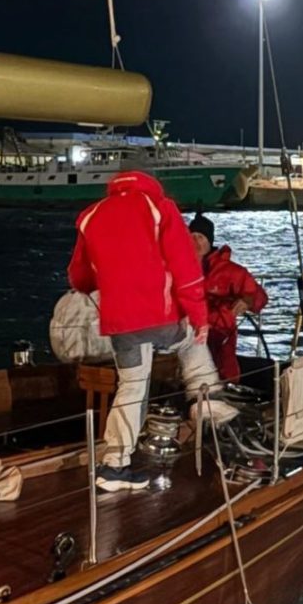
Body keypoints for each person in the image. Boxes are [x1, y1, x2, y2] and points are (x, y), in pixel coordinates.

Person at [67, 171, 223, 492]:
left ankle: (114, 467)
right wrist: (199, 317)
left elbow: (79, 276)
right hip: (158, 316)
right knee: (192, 339)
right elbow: (185, 268)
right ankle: (208, 402)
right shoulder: (160, 207)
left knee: (131, 387)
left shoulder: (91, 216)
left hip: (120, 324)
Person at [188, 213, 268, 383]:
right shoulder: (180, 269)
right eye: (192, 237)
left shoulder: (231, 271)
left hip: (221, 337)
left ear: (210, 241)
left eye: (200, 237)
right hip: (188, 337)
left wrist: (247, 301)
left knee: (226, 373)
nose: (196, 242)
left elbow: (259, 296)